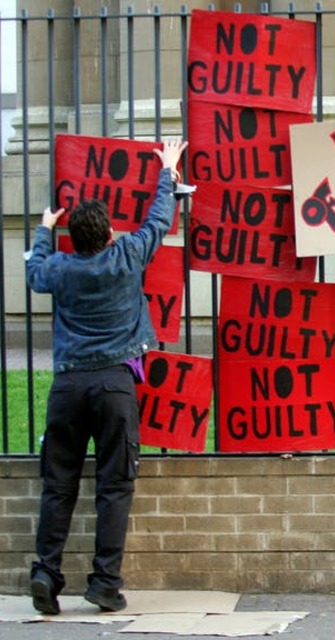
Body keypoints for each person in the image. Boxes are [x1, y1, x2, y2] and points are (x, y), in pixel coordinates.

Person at [25, 138, 188, 615]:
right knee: (114, 485)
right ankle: (103, 583)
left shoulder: (59, 268)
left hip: (68, 385)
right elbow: (159, 221)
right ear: (111, 232)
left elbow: (33, 271)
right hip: (115, 384)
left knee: (59, 483)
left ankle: (46, 573)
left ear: (73, 238)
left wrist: (41, 229)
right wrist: (168, 170)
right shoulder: (127, 257)